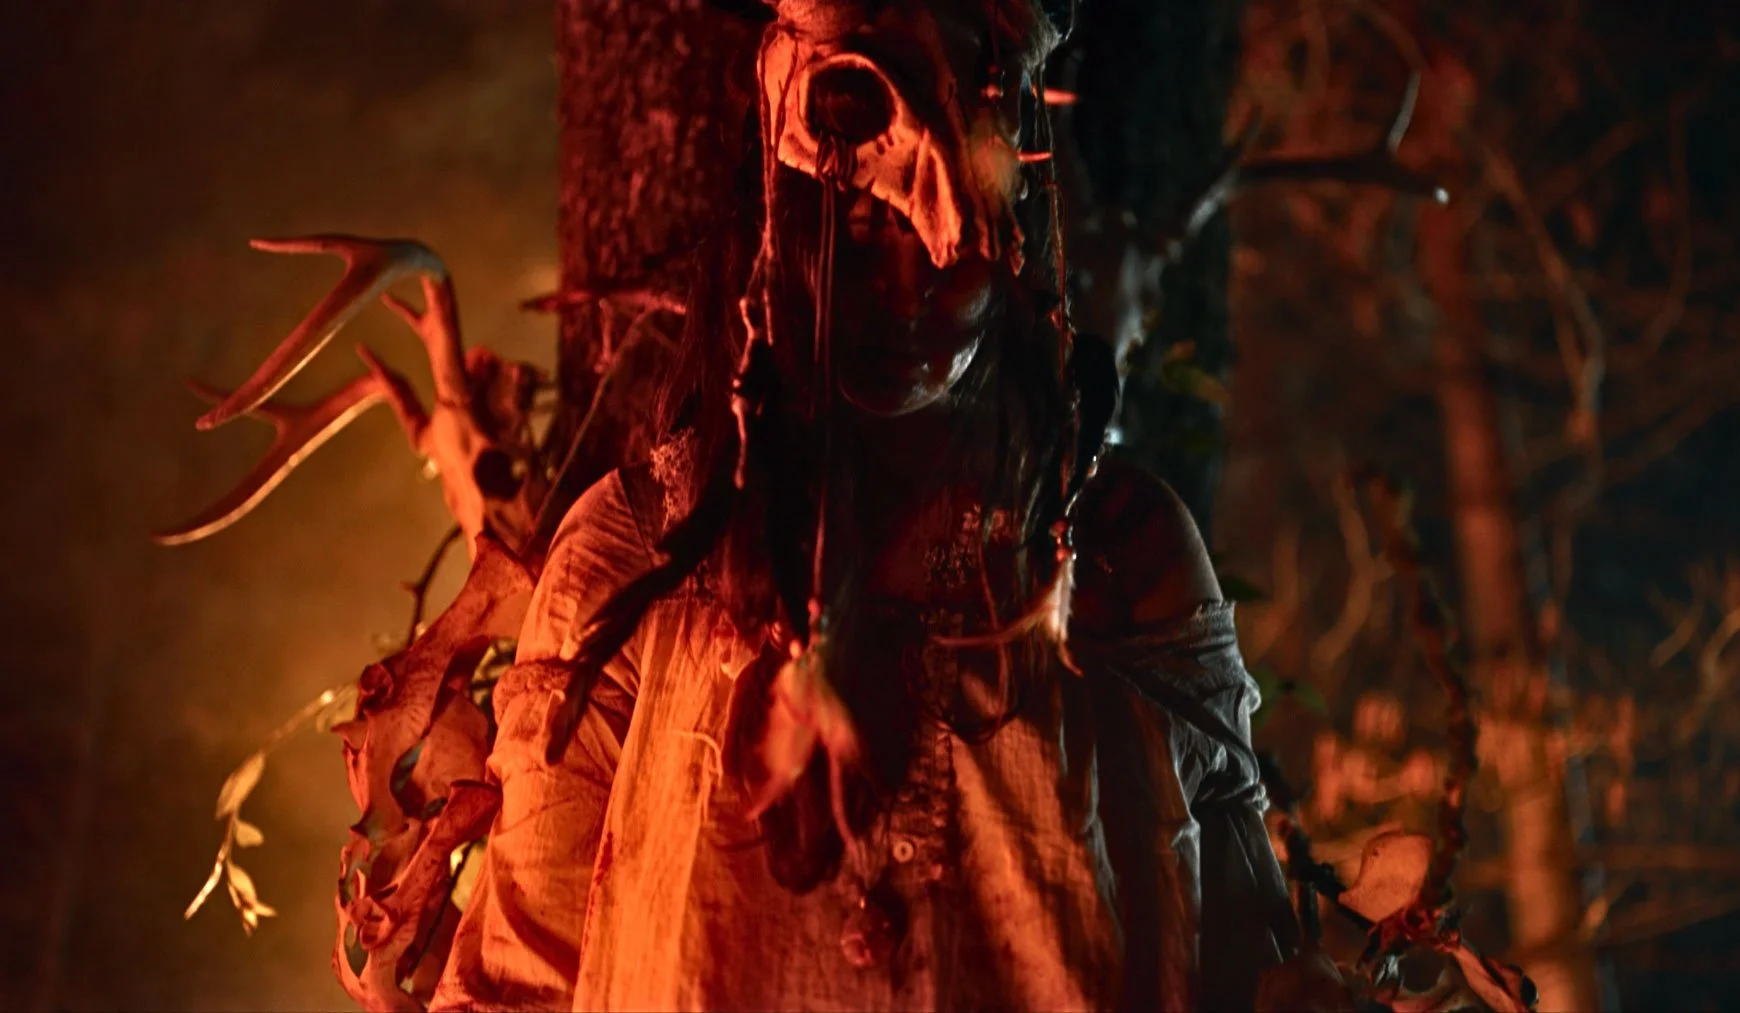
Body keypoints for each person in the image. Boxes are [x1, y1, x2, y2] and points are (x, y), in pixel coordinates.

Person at [429, 2, 1298, 1009]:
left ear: (1009, 228)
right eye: (857, 225)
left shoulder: (1114, 554)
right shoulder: (636, 556)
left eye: (938, 229)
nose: (903, 285)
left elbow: (1255, 958)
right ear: (777, 226)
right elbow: (516, 979)